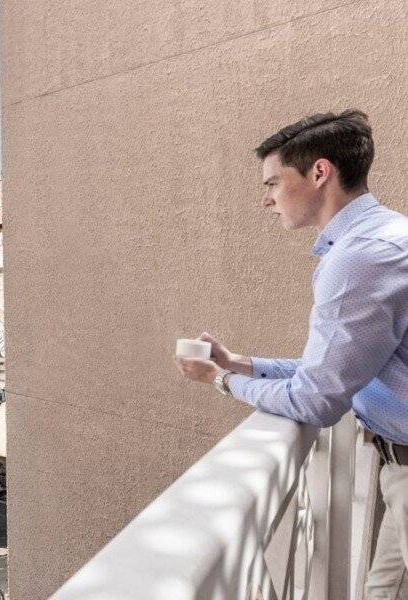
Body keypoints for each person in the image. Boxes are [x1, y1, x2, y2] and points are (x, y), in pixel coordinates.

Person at [174, 109, 407, 598]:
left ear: (320, 173)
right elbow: (349, 368)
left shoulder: (358, 258)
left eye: (274, 183)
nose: (267, 199)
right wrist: (242, 363)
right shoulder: (384, 236)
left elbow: (318, 402)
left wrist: (219, 381)